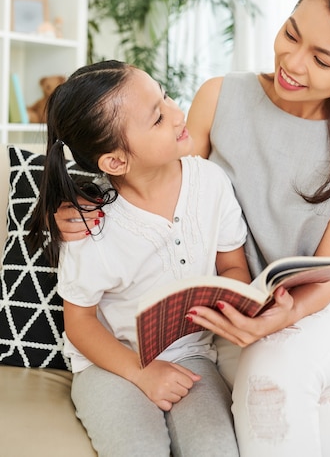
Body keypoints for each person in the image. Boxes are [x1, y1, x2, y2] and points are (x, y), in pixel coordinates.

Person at [54, 0, 330, 456]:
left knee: (271, 379)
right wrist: (78, 202)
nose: (292, 61)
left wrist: (282, 317)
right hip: (234, 314)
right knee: (297, 397)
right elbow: (159, 178)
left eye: (323, 59)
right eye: (291, 32)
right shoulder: (221, 96)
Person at [28, 60, 251, 457]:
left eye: (164, 96)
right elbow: (79, 324)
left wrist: (239, 304)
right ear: (115, 161)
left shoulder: (211, 183)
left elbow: (233, 266)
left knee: (215, 448)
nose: (178, 112)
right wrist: (142, 372)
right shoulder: (90, 222)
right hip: (110, 366)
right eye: (157, 118)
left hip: (192, 355)